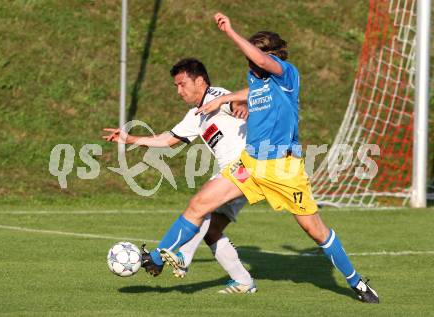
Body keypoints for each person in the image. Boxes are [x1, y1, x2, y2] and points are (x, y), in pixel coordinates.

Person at [145, 13, 379, 303]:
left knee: (314, 230)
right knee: (199, 204)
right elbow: (252, 89)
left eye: (255, 61)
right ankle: (156, 258)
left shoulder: (287, 74)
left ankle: (356, 282)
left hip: (283, 168)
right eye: (249, 63)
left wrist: (230, 32)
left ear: (270, 58)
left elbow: (264, 64)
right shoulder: (256, 79)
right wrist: (224, 99)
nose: (252, 67)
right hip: (251, 165)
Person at [103, 58, 256, 294]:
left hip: (246, 167)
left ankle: (173, 255)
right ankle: (243, 281)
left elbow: (235, 99)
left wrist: (240, 104)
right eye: (176, 86)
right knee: (212, 229)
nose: (179, 91)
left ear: (200, 81)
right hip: (231, 172)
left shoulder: (216, 95)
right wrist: (132, 139)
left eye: (182, 84)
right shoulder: (196, 114)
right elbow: (168, 139)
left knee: (199, 206)